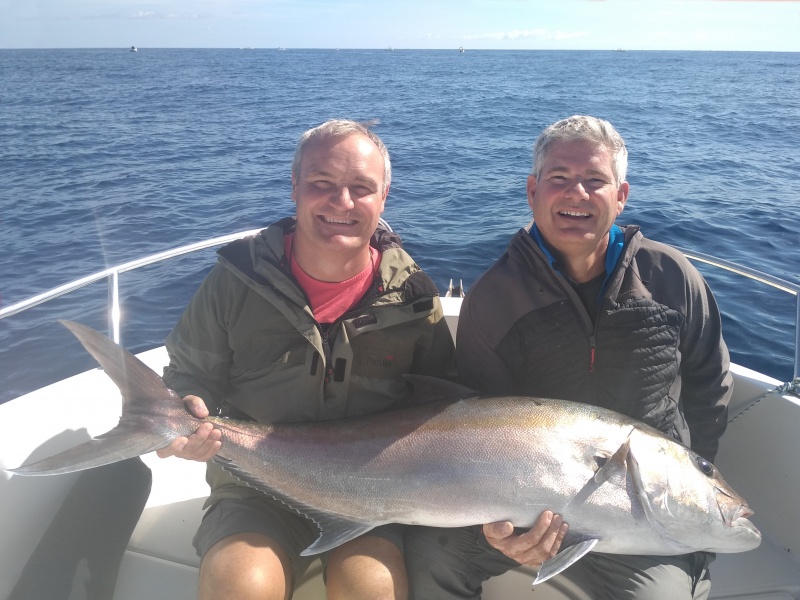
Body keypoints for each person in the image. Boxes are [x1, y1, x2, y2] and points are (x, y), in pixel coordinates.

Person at [404, 115, 733, 599]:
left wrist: (689, 483)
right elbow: (476, 431)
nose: (576, 193)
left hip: (644, 508)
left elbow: (709, 382)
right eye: (558, 179)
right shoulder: (495, 297)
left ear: (621, 196)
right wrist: (501, 529)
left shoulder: (671, 277)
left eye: (595, 181)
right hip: (527, 508)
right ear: (532, 191)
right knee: (429, 560)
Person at [156, 119, 455, 600]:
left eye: (362, 188)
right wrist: (185, 413)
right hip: (256, 485)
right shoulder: (238, 279)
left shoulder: (415, 301)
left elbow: (444, 411)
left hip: (373, 492)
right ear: (294, 186)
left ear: (384, 196)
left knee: (372, 590)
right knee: (241, 587)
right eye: (322, 184)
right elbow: (190, 374)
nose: (342, 202)